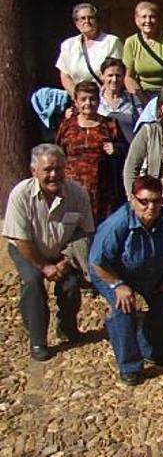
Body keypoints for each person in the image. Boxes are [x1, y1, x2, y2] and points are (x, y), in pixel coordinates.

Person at [89, 175, 163, 385]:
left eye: (156, 201)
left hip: (153, 273)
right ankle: (129, 365)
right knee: (124, 309)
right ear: (132, 199)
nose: (150, 206)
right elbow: (97, 261)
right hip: (113, 273)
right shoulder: (117, 224)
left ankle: (148, 348)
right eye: (144, 201)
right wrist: (118, 285)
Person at [4, 144, 94, 361]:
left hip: (63, 250)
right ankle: (37, 340)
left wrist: (67, 260)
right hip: (28, 249)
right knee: (33, 282)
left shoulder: (78, 194)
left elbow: (85, 231)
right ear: (34, 171)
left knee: (71, 284)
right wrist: (44, 266)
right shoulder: (20, 194)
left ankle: (67, 329)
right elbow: (20, 238)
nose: (54, 175)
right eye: (47, 170)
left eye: (58, 169)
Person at [55, 81, 125, 221]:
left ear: (99, 100)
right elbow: (58, 153)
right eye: (83, 99)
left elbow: (125, 150)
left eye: (92, 99)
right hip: (72, 189)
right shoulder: (67, 125)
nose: (88, 103)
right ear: (75, 101)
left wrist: (116, 149)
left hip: (103, 192)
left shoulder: (110, 124)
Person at [122, 1, 163, 103]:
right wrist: (141, 99)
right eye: (144, 17)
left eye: (152, 17)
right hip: (143, 94)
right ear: (136, 20)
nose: (148, 21)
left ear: (158, 20)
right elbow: (129, 77)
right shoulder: (131, 43)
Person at [56, 3, 123, 97]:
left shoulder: (111, 42)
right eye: (82, 18)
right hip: (78, 100)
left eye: (91, 17)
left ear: (97, 20)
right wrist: (77, 97)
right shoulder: (68, 45)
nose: (87, 21)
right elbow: (65, 76)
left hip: (104, 98)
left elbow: (116, 72)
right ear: (76, 23)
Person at [97, 57, 141, 144]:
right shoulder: (95, 100)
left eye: (118, 75)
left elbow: (141, 126)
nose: (114, 80)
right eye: (110, 75)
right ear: (102, 76)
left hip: (127, 152)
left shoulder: (133, 100)